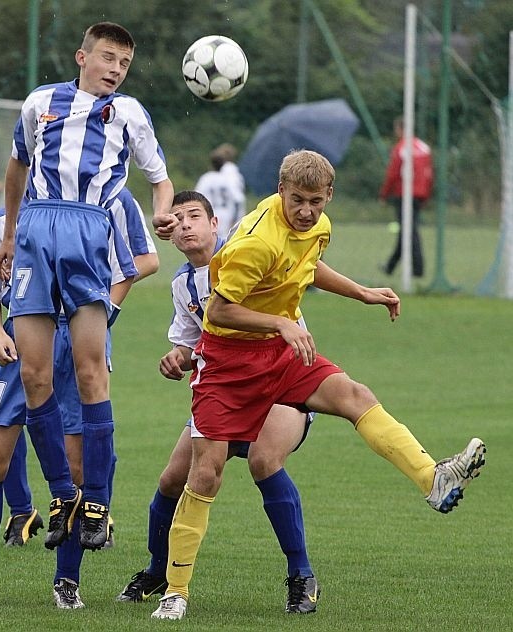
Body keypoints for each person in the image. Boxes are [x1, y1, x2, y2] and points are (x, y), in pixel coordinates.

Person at [151, 150, 486, 621]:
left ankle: (433, 479)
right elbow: (219, 312)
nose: (306, 211)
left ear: (329, 195)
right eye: (297, 201)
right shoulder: (255, 242)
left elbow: (308, 267)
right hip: (227, 363)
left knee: (356, 396)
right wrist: (281, 324)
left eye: (315, 201)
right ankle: (175, 591)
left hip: (280, 355)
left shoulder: (319, 226)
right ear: (280, 191)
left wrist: (363, 291)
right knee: (205, 474)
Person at [0, 22, 176, 553]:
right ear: (82, 57)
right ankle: (62, 495)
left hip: (88, 230)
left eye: (124, 62)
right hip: (34, 229)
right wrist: (8, 234)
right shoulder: (39, 103)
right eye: (108, 58)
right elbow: (16, 167)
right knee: (33, 374)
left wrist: (163, 214)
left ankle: (96, 501)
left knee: (90, 368)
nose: (116, 69)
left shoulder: (130, 114)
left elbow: (159, 179)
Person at [117, 190, 318, 614]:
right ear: (171, 234)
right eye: (177, 219)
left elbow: (305, 274)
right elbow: (193, 346)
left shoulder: (248, 252)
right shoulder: (182, 285)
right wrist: (177, 358)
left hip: (278, 383)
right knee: (174, 478)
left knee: (265, 460)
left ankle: (301, 576)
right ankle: (159, 570)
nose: (186, 224)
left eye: (195, 215)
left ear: (215, 224)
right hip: (225, 391)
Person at [0, 202, 137, 608]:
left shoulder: (94, 211)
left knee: (76, 465)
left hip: (73, 344)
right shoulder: (1, 224)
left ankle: (67, 582)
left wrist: (103, 321)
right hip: (20, 345)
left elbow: (132, 267)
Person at [379, 116, 433, 277]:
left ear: (400, 129)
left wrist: (384, 194)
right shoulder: (424, 148)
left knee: (409, 232)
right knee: (408, 230)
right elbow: (429, 175)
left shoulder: (401, 148)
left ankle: (417, 269)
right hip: (419, 195)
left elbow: (393, 174)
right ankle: (391, 266)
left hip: (403, 194)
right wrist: (426, 196)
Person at [195, 143, 245, 239]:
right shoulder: (231, 177)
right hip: (228, 214)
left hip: (212, 214)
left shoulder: (206, 178)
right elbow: (238, 199)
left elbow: (197, 199)